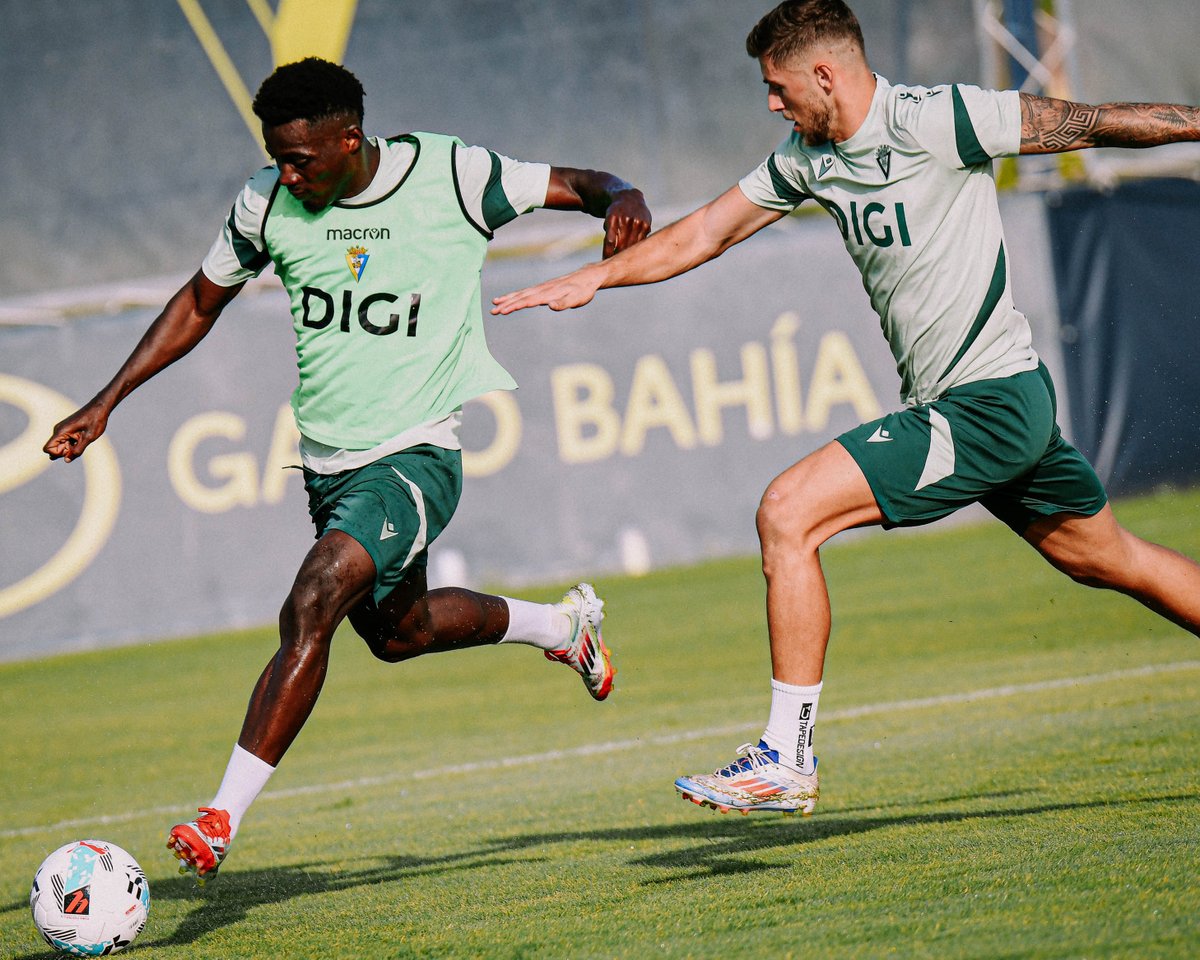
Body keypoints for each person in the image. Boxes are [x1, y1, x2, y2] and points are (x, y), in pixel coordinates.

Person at [492, 0, 1200, 815]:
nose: (771, 104)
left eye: (777, 86)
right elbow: (707, 232)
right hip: (990, 404)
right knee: (1109, 558)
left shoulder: (943, 119)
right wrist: (597, 277)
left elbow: (1092, 122)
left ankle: (786, 757)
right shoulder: (808, 157)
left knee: (788, 512)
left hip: (987, 403)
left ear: (824, 75)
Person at [43, 56, 651, 874]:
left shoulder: (449, 176)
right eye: (277, 159)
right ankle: (562, 627)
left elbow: (580, 183)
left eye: (301, 160)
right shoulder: (266, 202)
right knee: (401, 634)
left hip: (417, 456)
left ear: (350, 140)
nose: (288, 177)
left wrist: (623, 197)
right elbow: (198, 301)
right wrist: (106, 399)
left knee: (315, 594)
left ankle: (219, 818)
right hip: (328, 470)